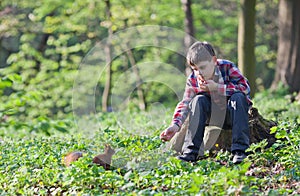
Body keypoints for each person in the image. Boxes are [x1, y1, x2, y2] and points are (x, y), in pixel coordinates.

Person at [160, 41, 252, 164]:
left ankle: (240, 151)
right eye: (195, 69)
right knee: (198, 100)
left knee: (238, 97)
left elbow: (245, 88)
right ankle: (190, 152)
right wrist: (175, 125)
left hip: (233, 114)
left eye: (202, 67)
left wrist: (218, 87)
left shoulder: (227, 67)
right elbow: (185, 103)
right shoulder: (193, 79)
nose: (200, 73)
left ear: (214, 61)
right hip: (210, 117)